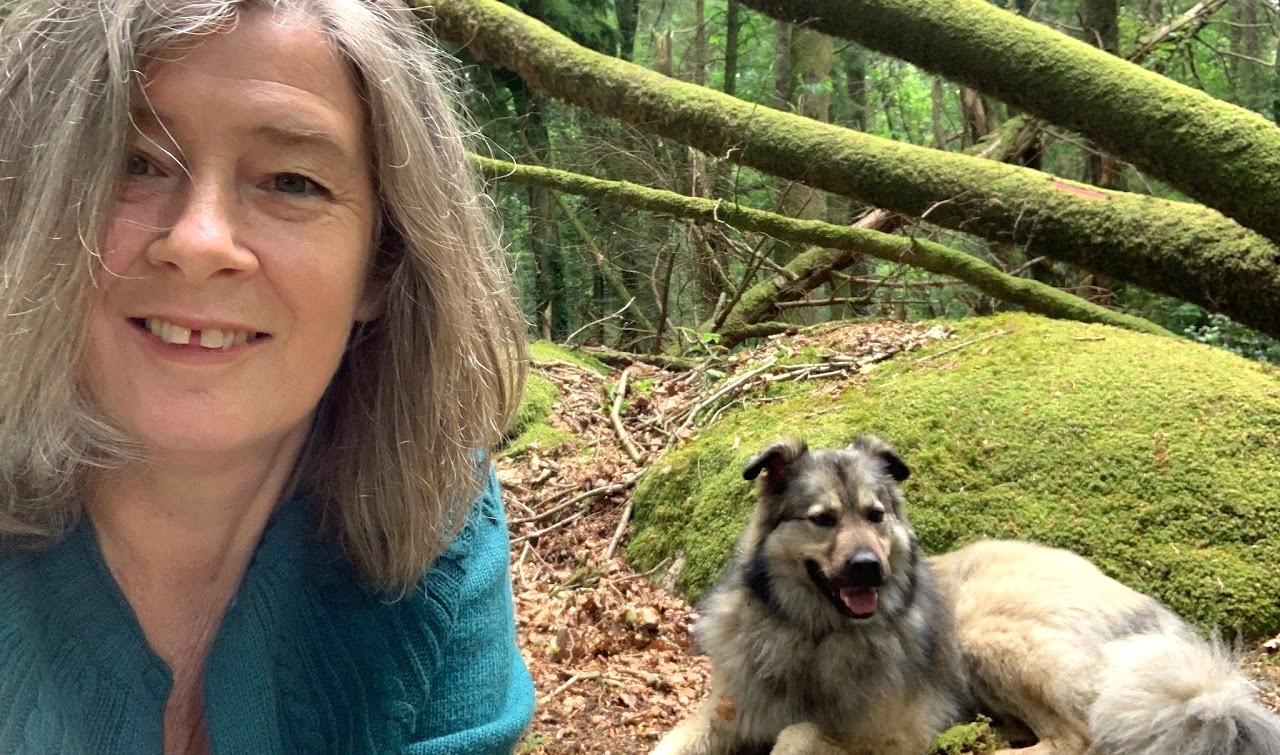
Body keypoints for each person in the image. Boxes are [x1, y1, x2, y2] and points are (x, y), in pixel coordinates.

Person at [0, 1, 533, 752]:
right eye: (134, 163)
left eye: (291, 181)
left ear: (381, 264)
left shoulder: (432, 511)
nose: (199, 240)